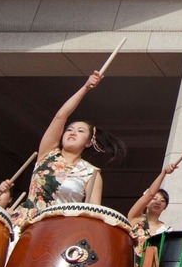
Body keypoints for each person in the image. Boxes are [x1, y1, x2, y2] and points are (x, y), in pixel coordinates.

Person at [12, 71, 125, 225]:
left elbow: (93, 213)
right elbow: (61, 116)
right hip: (25, 224)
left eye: (80, 131)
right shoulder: (48, 153)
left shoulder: (91, 173)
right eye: (70, 129)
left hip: (60, 229)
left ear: (88, 142)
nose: (72, 132)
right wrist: (86, 87)